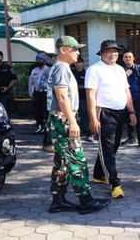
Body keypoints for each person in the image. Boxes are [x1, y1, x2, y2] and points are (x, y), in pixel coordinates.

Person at [47, 35, 110, 214]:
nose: (77, 53)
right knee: (76, 159)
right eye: (74, 49)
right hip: (64, 119)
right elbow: (61, 96)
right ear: (63, 50)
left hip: (60, 118)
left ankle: (58, 200)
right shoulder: (61, 68)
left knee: (61, 162)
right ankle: (85, 200)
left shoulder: (62, 67)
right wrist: (73, 121)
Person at [85, 40, 137, 199]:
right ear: (101, 53)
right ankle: (115, 183)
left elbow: (126, 92)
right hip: (103, 112)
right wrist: (93, 118)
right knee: (107, 148)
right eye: (109, 51)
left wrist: (131, 111)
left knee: (113, 147)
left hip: (120, 112)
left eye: (115, 51)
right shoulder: (94, 70)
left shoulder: (120, 69)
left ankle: (99, 174)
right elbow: (90, 96)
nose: (113, 54)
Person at [120, 50, 140, 148]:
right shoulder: (120, 70)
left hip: (138, 98)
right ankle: (131, 138)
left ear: (133, 58)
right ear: (123, 58)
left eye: (129, 57)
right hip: (125, 98)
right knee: (128, 118)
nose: (127, 59)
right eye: (125, 57)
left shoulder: (139, 68)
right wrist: (124, 76)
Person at [72, 57, 93, 142]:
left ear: (83, 63)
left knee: (85, 114)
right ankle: (76, 132)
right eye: (76, 62)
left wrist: (82, 87)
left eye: (80, 62)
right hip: (73, 97)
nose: (78, 64)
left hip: (84, 97)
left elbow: (90, 85)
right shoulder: (71, 72)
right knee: (74, 115)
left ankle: (88, 132)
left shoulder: (86, 72)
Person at [28, 53, 50, 134]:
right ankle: (39, 125)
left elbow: (51, 82)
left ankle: (47, 127)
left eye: (40, 60)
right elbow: (31, 82)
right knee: (37, 110)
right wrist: (31, 93)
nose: (39, 62)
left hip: (46, 93)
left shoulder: (49, 70)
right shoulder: (34, 70)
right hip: (37, 93)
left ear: (44, 61)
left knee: (46, 110)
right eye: (37, 60)